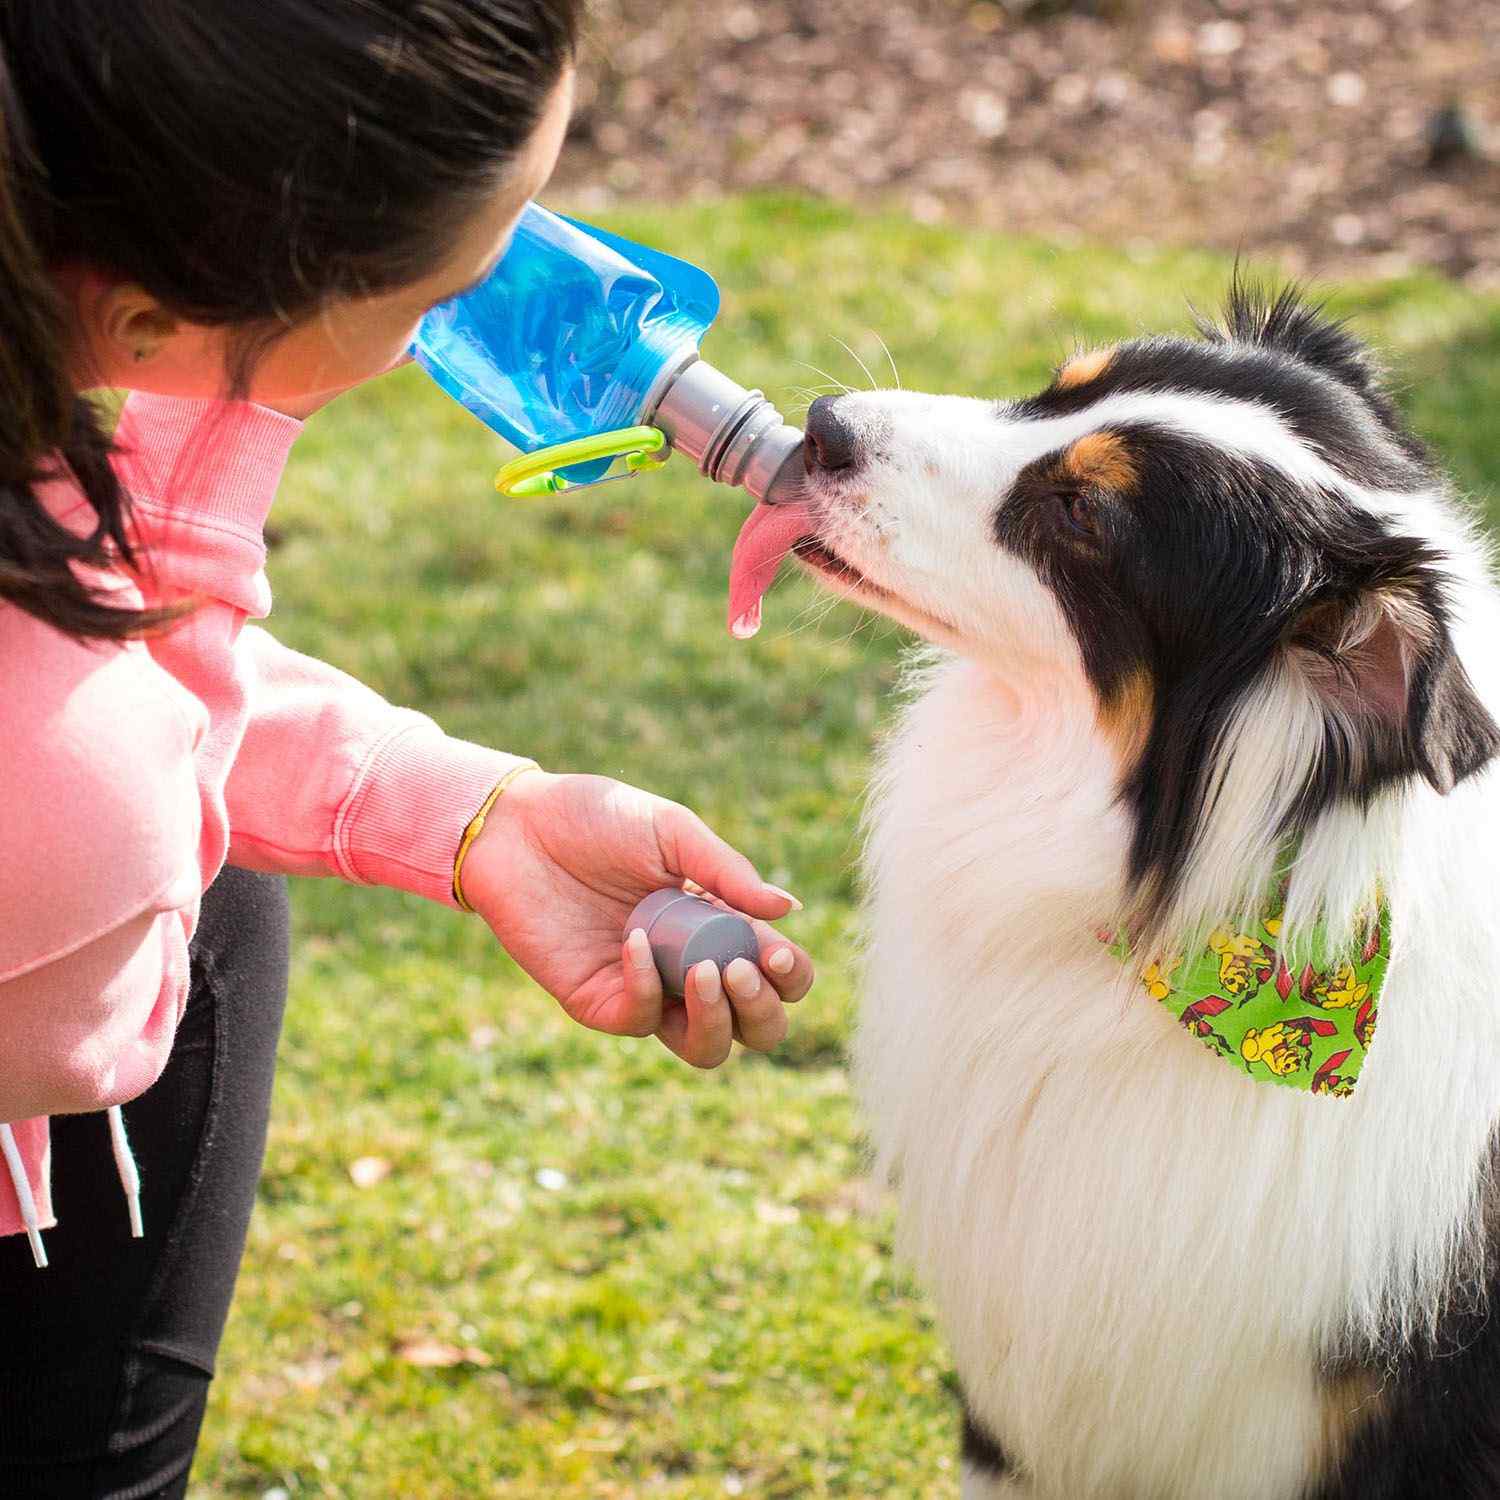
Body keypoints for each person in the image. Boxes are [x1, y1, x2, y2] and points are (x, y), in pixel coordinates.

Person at [0, 3, 814, 1494]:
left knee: (227, 904)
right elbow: (91, 979)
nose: (517, 274)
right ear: (154, 317)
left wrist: (472, 816)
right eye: (455, 265)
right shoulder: (56, 765)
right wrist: (226, 428)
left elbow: (93, 678)